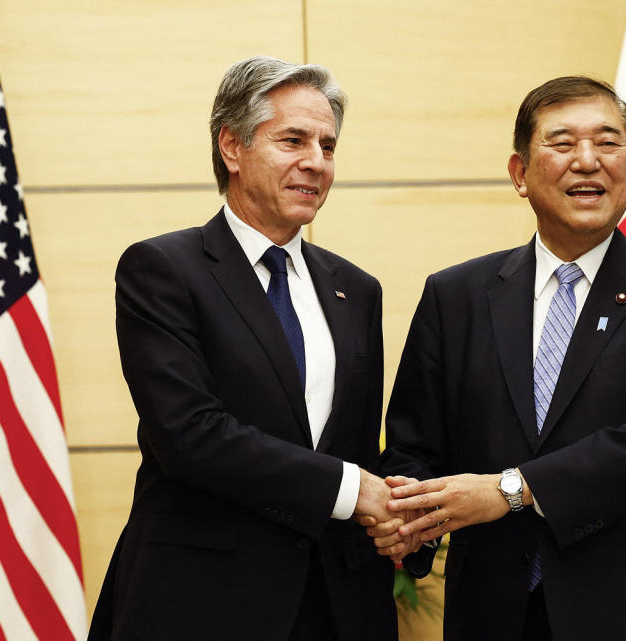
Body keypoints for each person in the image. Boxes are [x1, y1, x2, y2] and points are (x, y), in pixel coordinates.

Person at [373, 76, 626, 640]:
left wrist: (512, 490)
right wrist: (412, 518)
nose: (587, 161)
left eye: (608, 144)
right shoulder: (456, 295)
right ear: (519, 174)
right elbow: (416, 445)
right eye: (562, 144)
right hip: (494, 611)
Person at [88, 56, 398, 641]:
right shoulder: (163, 270)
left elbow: (355, 444)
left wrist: (406, 518)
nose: (316, 162)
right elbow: (190, 435)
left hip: (337, 606)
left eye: (328, 146)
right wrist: (353, 490)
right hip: (203, 603)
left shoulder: (356, 290)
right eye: (293, 140)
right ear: (232, 147)